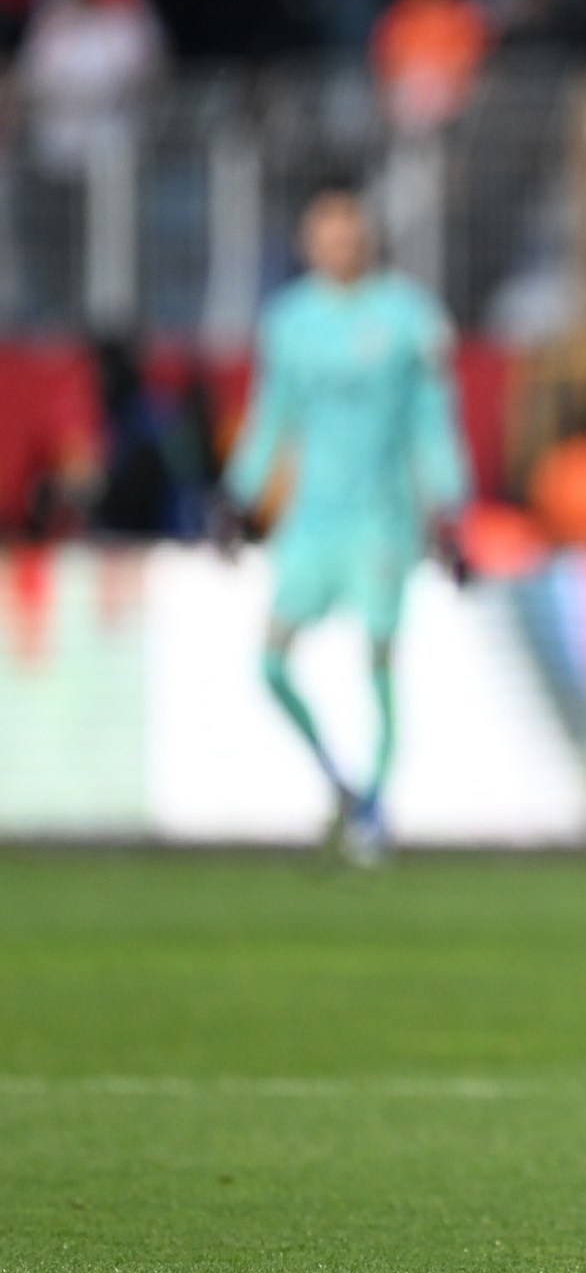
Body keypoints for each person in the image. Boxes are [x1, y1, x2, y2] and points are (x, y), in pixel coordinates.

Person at [217, 189, 471, 866]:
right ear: (308, 246)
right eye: (326, 237)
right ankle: (339, 780)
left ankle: (376, 807)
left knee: (380, 658)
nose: (339, 248)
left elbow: (432, 421)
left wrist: (450, 509)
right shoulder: (289, 322)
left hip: (383, 520)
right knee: (270, 664)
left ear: (368, 240)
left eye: (349, 235)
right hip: (311, 522)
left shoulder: (410, 318)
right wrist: (238, 499)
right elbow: (272, 414)